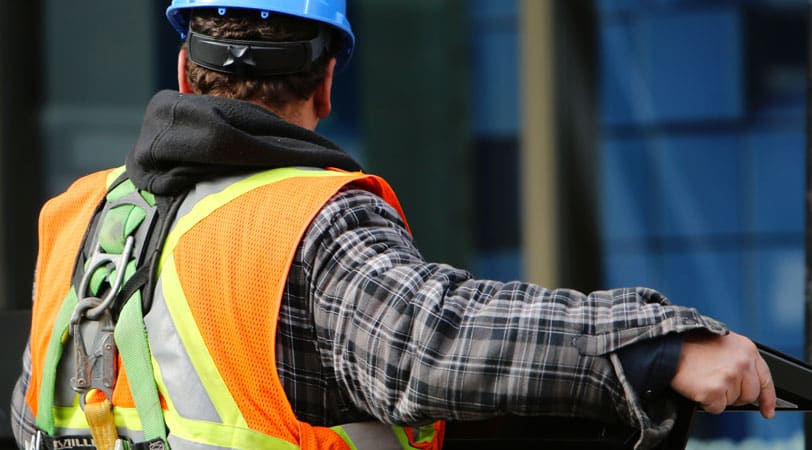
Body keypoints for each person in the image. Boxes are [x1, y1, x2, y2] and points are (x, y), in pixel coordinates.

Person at [11, 1, 775, 449]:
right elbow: (430, 341)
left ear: (184, 73)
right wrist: (656, 345)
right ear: (329, 80)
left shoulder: (80, 213)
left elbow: (33, 415)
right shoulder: (307, 221)